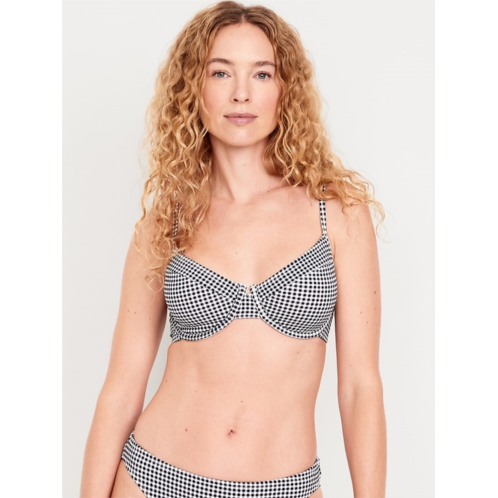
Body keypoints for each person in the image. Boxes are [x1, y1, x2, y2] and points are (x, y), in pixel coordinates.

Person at [80, 2, 387, 497]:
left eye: (262, 73)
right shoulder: (166, 221)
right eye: (220, 72)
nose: (241, 93)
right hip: (156, 479)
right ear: (193, 88)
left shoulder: (337, 215)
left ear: (285, 89)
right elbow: (120, 390)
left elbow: (360, 388)